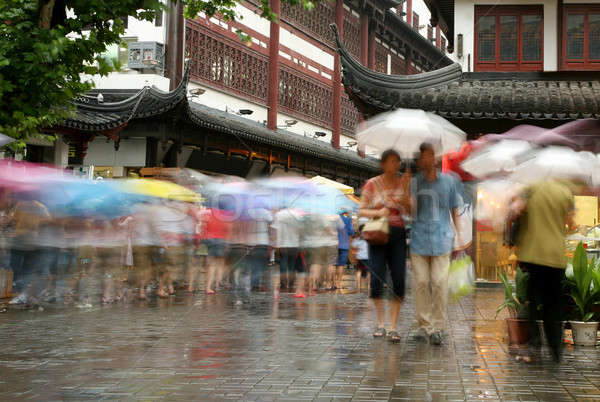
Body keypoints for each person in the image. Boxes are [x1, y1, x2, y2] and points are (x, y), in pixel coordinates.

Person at [515, 179, 574, 363]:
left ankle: (535, 344)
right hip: (556, 255)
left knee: (532, 301)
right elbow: (571, 223)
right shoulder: (565, 191)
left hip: (534, 254)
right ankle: (556, 349)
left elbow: (517, 210)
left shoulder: (530, 187)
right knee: (553, 304)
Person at [410, 142, 462, 346]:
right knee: (421, 283)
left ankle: (438, 327)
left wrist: (459, 237)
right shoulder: (414, 182)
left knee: (440, 283)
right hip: (419, 239)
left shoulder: (449, 182)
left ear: (437, 158)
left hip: (442, 239)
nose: (428, 159)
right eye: (425, 156)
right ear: (420, 159)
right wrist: (408, 196)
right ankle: (423, 325)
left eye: (432, 155)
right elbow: (410, 213)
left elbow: (455, 209)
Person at [359, 149, 411, 343]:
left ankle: (393, 326)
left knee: (398, 278)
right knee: (376, 278)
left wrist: (406, 192)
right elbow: (361, 209)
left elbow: (410, 210)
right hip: (378, 234)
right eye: (390, 161)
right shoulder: (372, 184)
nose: (394, 165)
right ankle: (380, 322)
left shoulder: (402, 182)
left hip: (397, 234)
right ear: (383, 164)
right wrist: (378, 212)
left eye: (396, 161)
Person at [335, 211, 354, 289]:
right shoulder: (348, 220)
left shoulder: (333, 219)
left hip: (333, 244)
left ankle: (331, 283)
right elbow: (351, 232)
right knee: (341, 265)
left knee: (333, 265)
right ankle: (338, 283)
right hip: (344, 245)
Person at [351, 224, 370, 292]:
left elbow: (353, 246)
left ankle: (358, 286)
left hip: (359, 258)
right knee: (368, 272)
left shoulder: (357, 239)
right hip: (368, 258)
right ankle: (368, 286)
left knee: (359, 271)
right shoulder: (369, 238)